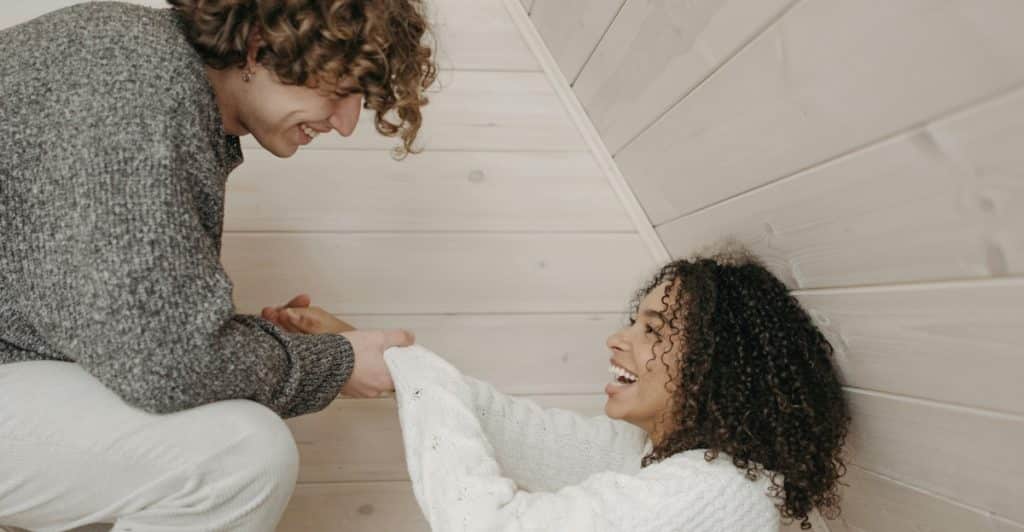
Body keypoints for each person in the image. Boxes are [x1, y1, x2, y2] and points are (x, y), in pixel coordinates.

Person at [0, 0, 436, 530]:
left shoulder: (141, 63)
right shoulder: (136, 89)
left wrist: (246, 342)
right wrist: (336, 362)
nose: (346, 124)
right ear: (259, 47)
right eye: (343, 88)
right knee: (242, 456)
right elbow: (162, 364)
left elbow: (125, 328)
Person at [274, 250, 851, 531]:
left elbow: (490, 527)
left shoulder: (718, 497)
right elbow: (511, 427)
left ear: (717, 362)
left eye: (652, 329)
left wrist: (411, 368)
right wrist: (367, 350)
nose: (616, 340)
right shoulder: (656, 456)